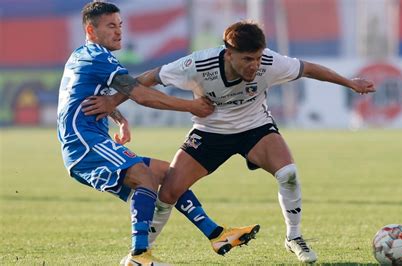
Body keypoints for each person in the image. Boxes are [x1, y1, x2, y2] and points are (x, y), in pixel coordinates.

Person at [84, 20, 375, 263]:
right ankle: (140, 256)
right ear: (228, 53)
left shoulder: (270, 63)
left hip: (255, 127)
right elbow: (149, 78)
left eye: (258, 58)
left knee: (288, 174)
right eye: (248, 59)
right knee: (170, 191)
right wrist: (113, 100)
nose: (255, 65)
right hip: (209, 133)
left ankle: (294, 237)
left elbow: (309, 69)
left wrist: (350, 83)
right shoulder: (197, 64)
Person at [58, 3, 259, 265]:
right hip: (85, 144)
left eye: (120, 25)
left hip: (88, 143)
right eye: (111, 26)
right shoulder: (99, 57)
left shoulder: (82, 55)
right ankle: (140, 255)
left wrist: (118, 117)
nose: (119, 32)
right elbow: (140, 95)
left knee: (169, 175)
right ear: (90, 29)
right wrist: (191, 106)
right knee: (145, 177)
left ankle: (217, 235)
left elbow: (85, 98)